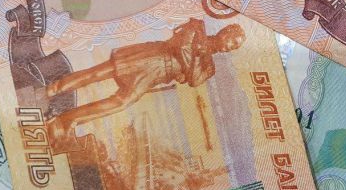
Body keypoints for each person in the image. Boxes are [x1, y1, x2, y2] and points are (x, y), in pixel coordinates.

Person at [46, 18, 245, 138]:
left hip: (155, 76)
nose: (229, 47)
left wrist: (198, 53)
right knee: (97, 73)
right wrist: (193, 58)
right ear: (225, 32)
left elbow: (194, 80)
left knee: (122, 102)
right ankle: (52, 89)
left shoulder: (209, 68)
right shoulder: (197, 27)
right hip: (149, 56)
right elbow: (180, 47)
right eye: (232, 41)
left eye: (234, 47)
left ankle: (65, 121)